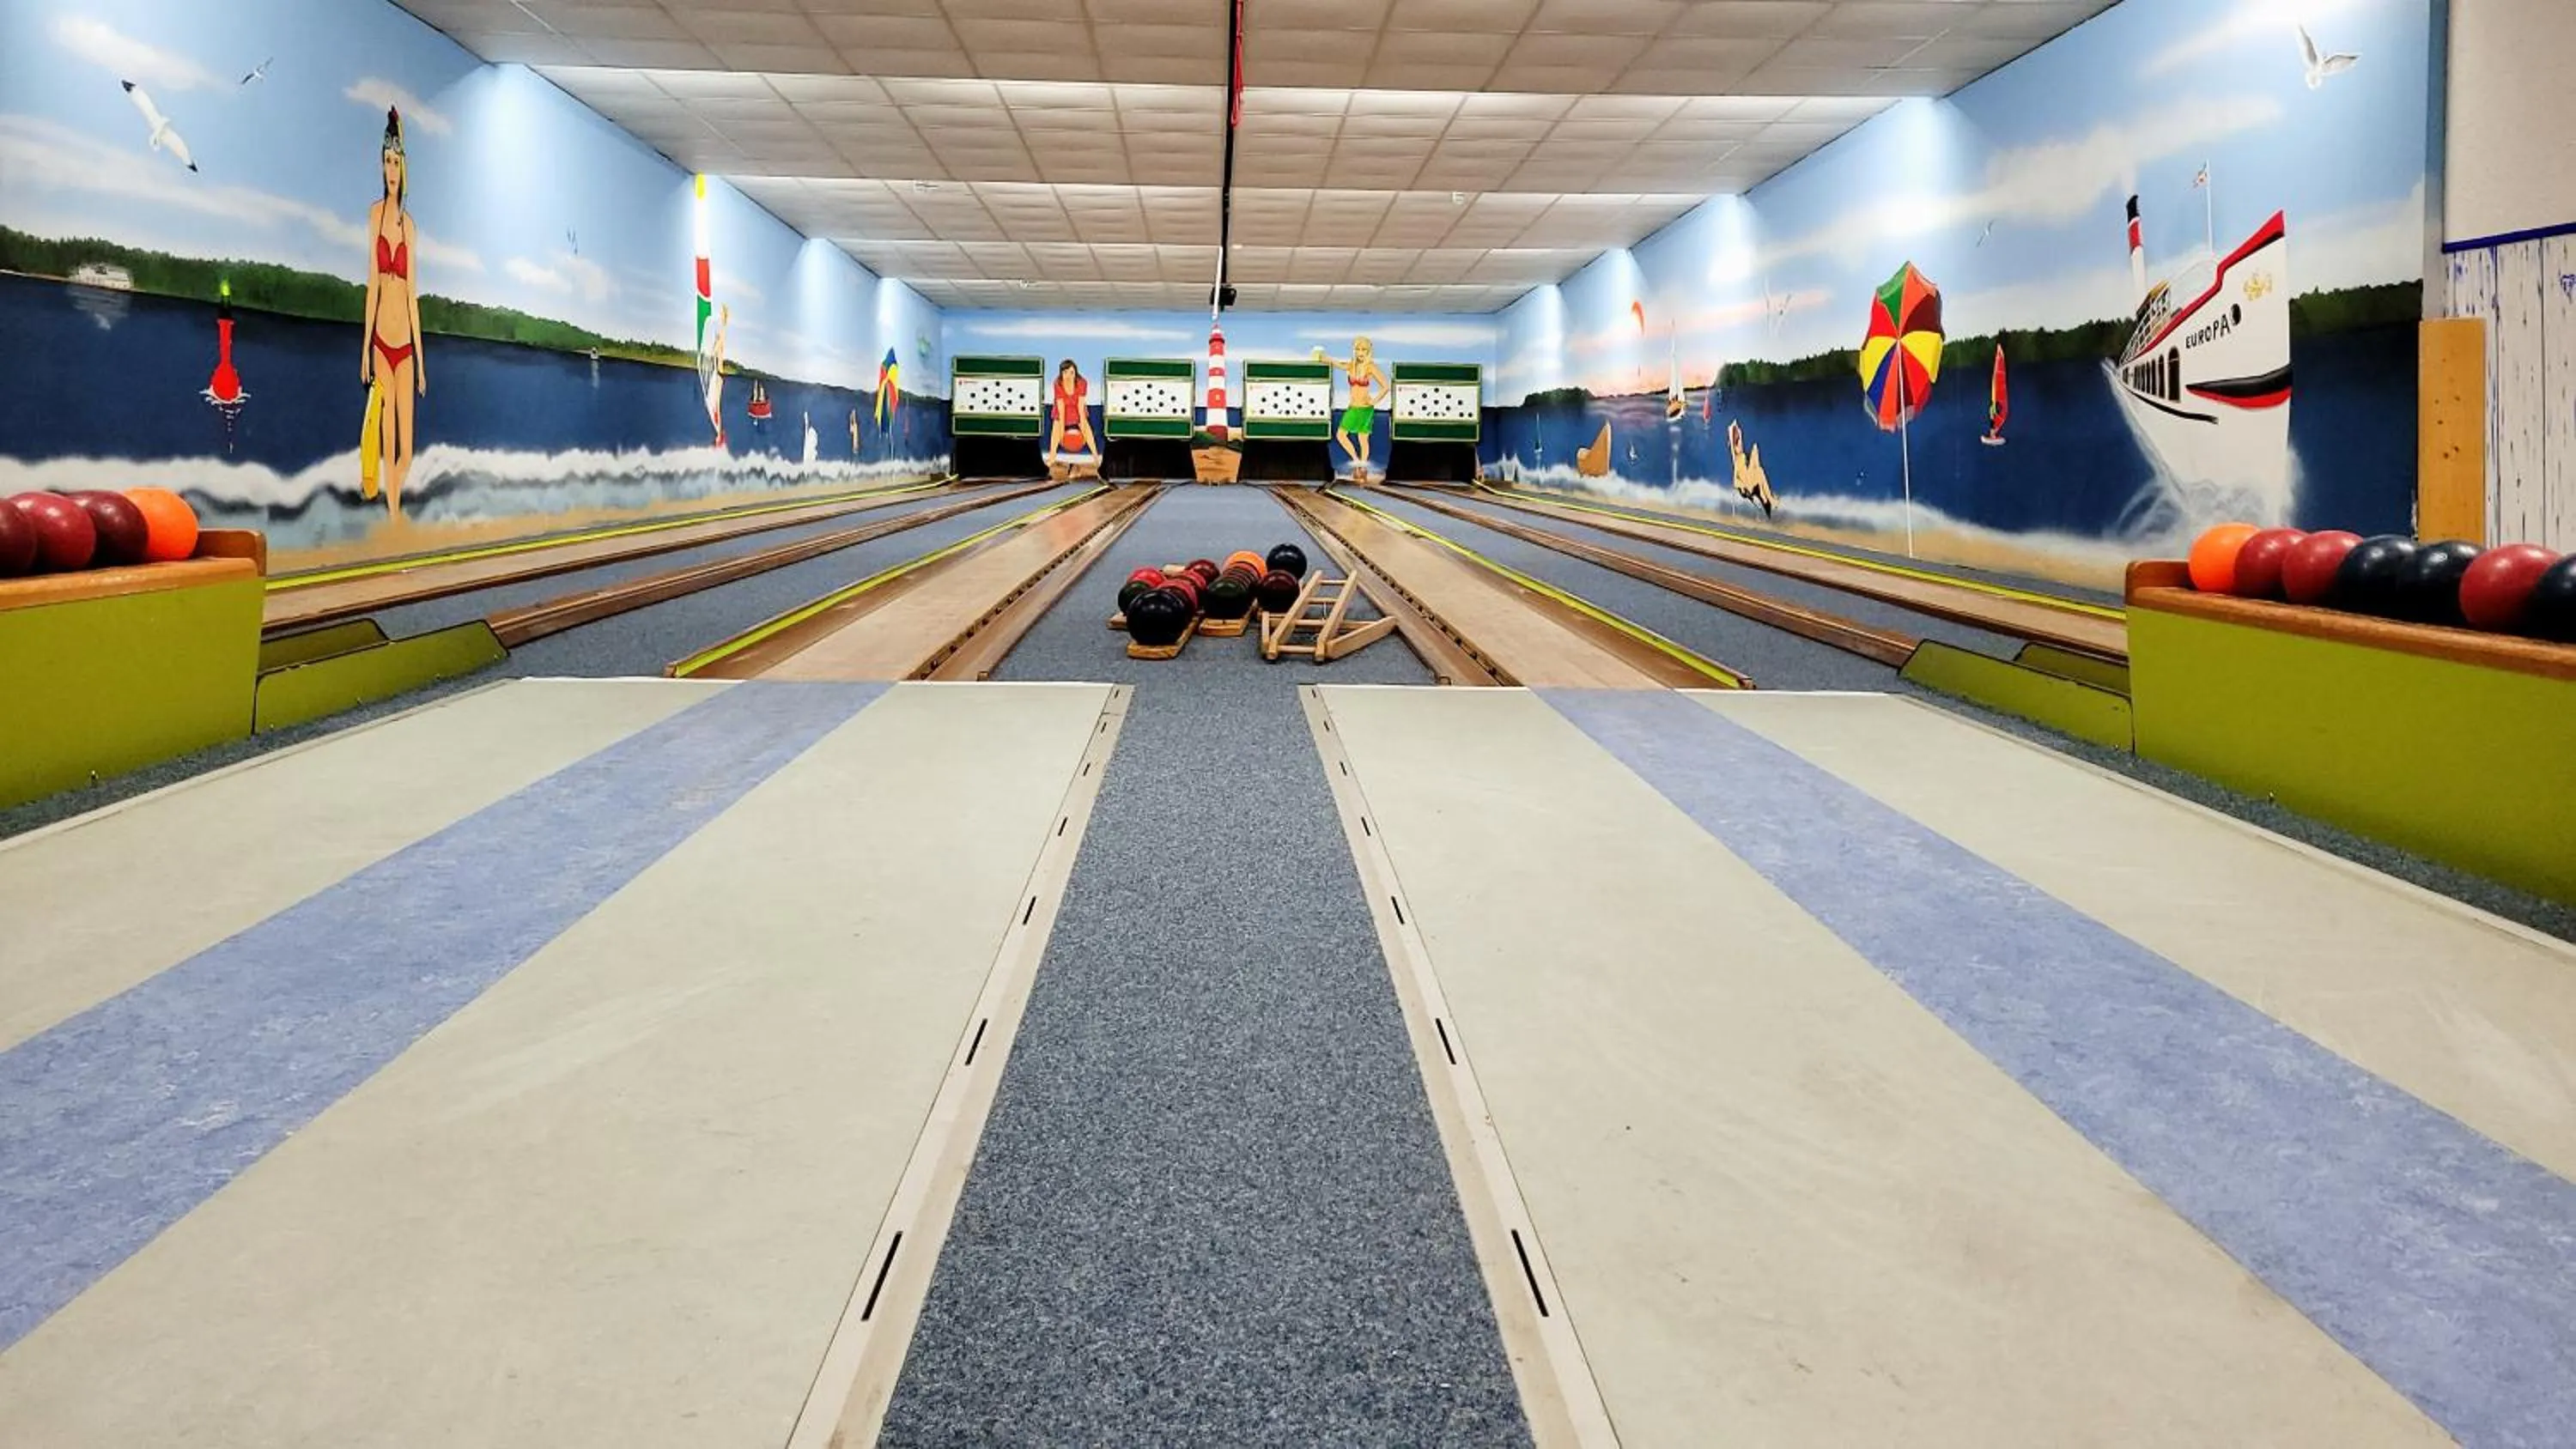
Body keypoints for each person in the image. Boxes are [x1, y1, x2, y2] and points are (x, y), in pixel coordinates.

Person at [360, 106, 423, 518]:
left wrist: (421, 362)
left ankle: (395, 498)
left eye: (396, 162)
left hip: (406, 346)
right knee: (385, 437)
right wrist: (365, 349)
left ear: (404, 167)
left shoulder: (410, 226)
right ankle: (395, 514)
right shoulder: (375, 215)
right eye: (386, 162)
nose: (390, 170)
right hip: (382, 342)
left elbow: (412, 293)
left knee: (407, 444)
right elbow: (372, 285)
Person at [1317, 336, 1387, 482]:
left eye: (1363, 349)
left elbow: (1385, 386)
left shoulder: (1370, 367)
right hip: (1353, 407)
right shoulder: (1352, 366)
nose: (1360, 352)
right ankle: (1356, 461)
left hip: (1365, 408)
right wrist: (1325, 358)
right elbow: (1338, 364)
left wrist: (1374, 401)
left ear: (1368, 351)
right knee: (1341, 435)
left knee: (1363, 438)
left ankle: (1361, 470)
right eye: (1358, 349)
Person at [1048, 359, 1097, 473]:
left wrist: (1083, 427)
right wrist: (1061, 434)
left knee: (1088, 432)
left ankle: (1096, 458)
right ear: (1061, 373)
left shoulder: (1082, 382)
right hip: (1062, 410)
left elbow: (1080, 406)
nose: (1069, 375)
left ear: (1075, 372)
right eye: (1065, 373)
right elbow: (1061, 407)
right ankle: (1051, 459)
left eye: (1071, 372)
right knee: (1055, 436)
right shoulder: (1057, 383)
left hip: (1076, 408)